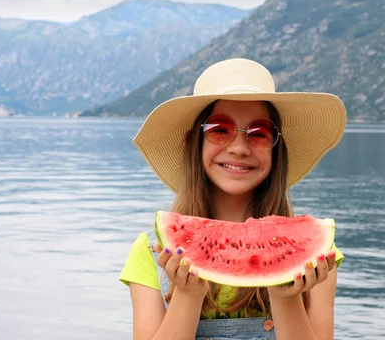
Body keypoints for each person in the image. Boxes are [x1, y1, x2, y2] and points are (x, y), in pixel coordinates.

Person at [119, 58, 348, 340]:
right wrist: (188, 297)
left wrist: (285, 297)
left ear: (277, 151)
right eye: (219, 129)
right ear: (195, 141)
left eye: (259, 134)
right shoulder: (152, 253)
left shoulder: (319, 257)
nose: (239, 148)